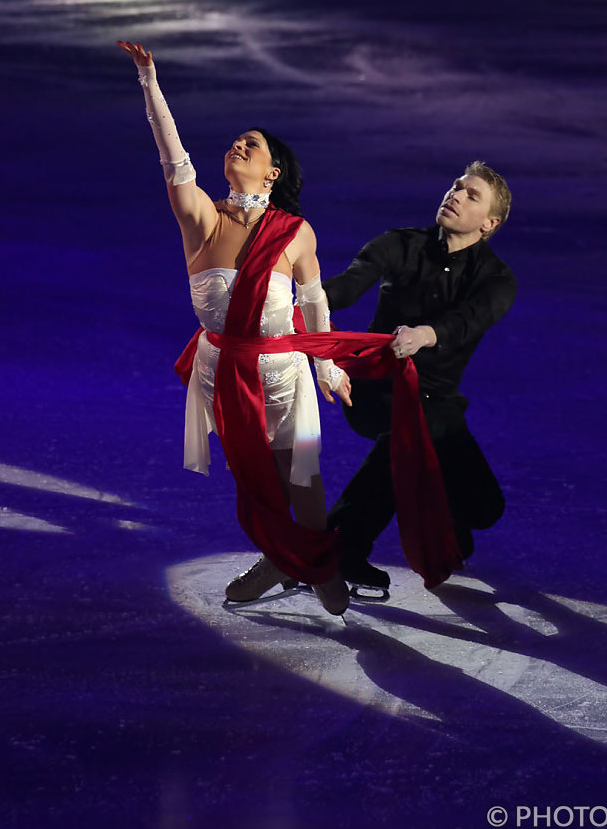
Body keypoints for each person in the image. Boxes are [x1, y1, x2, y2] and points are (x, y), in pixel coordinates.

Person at [117, 40, 353, 616]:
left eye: (251, 145)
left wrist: (328, 365)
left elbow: (314, 302)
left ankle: (316, 563)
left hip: (286, 373)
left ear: (272, 172)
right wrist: (150, 81)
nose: (237, 145)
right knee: (259, 482)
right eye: (235, 142)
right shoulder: (201, 218)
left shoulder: (296, 232)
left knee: (304, 480)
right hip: (227, 374)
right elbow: (174, 159)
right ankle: (279, 558)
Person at [322, 163, 516, 589]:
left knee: (485, 508)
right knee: (408, 434)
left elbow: (468, 320)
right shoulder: (400, 244)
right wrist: (305, 297)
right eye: (456, 187)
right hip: (375, 391)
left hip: (437, 402)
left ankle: (441, 518)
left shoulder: (497, 280)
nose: (456, 195)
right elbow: (351, 284)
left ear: (490, 223)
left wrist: (425, 335)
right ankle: (341, 545)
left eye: (471, 195)